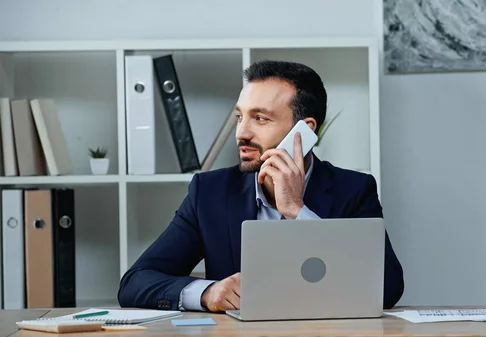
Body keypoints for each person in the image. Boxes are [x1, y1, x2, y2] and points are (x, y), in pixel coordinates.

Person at [117, 60, 404, 312]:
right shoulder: (209, 192)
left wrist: (297, 212)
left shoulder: (353, 189)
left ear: (304, 131)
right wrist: (206, 293)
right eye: (240, 117)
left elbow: (387, 288)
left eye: (260, 118)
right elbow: (136, 282)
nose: (241, 133)